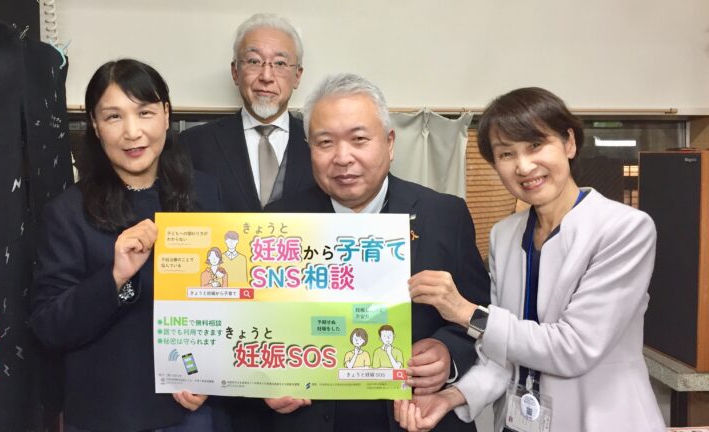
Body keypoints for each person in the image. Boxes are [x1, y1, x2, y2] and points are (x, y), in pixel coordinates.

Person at [395, 87, 665, 432]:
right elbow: (502, 350)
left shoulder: (623, 229)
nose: (523, 166)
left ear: (569, 143)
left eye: (535, 145)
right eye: (506, 154)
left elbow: (573, 348)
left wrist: (463, 311)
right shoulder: (505, 234)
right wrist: (451, 396)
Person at [265, 73, 490, 432]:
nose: (342, 157)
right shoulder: (277, 222)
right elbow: (261, 325)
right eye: (325, 142)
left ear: (389, 143)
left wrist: (448, 354)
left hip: (416, 418)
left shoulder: (444, 215)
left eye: (359, 139)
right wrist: (268, 382)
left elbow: (482, 314)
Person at [29, 59, 230, 431]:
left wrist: (209, 372)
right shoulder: (67, 212)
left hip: (192, 411)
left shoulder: (205, 192)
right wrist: (115, 277)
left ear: (166, 115)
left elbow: (225, 302)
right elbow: (49, 327)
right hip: (109, 416)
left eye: (145, 112)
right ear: (94, 125)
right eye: (113, 117)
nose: (132, 132)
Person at [180, 13, 315, 211]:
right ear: (235, 71)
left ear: (297, 76)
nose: (266, 76)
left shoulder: (319, 142)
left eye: (280, 63)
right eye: (254, 61)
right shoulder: (194, 144)